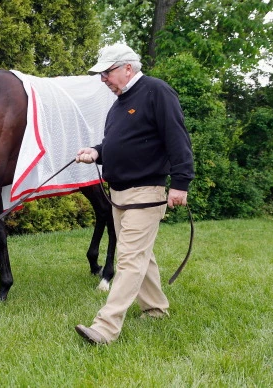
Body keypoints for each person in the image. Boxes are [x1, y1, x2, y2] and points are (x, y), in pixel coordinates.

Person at [74, 43, 194, 345]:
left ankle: (105, 328)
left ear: (129, 67)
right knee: (141, 255)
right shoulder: (119, 104)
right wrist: (97, 152)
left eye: (107, 72)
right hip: (119, 193)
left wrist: (181, 182)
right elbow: (121, 143)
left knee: (129, 260)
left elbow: (177, 137)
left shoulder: (157, 92)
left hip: (145, 191)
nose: (103, 79)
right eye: (101, 74)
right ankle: (155, 309)